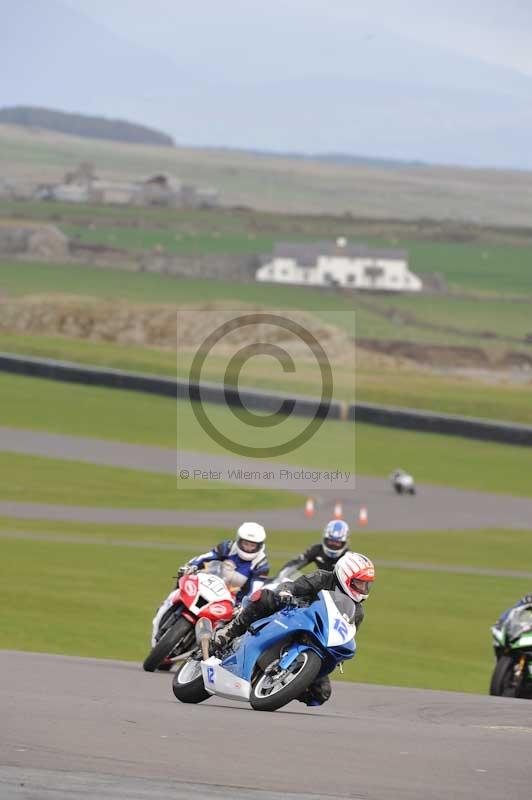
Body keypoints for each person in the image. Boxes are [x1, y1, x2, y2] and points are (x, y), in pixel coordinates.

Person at [213, 551, 375, 706]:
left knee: (321, 693)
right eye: (359, 582)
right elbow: (296, 586)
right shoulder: (322, 578)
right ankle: (229, 632)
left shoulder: (358, 611)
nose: (363, 588)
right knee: (266, 598)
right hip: (294, 615)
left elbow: (345, 633)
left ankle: (285, 686)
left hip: (318, 640)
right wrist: (286, 591)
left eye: (366, 584)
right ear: (345, 576)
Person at [178, 522, 269, 603]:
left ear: (260, 545)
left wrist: (244, 605)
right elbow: (206, 557)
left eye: (252, 545)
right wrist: (190, 566)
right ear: (239, 540)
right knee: (179, 591)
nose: (248, 548)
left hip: (232, 602)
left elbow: (255, 589)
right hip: (207, 585)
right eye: (246, 544)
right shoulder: (228, 547)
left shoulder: (261, 564)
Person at [278, 519, 350, 577]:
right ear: (325, 539)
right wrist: (282, 574)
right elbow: (296, 563)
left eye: (337, 542)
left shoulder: (348, 558)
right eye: (331, 541)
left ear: (344, 542)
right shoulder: (316, 549)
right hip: (318, 587)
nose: (333, 545)